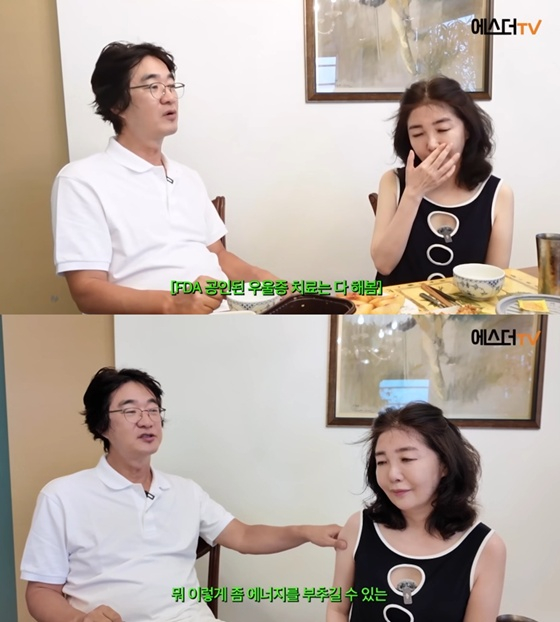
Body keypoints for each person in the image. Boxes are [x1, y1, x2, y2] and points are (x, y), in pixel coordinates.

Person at [22, 367, 345, 622]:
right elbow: (40, 592)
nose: (147, 420)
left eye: (153, 409)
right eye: (130, 411)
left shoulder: (185, 491)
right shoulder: (63, 495)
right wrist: (80, 619)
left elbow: (244, 536)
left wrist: (304, 532)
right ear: (101, 425)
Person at [52, 42, 279, 314]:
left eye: (171, 86)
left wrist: (264, 279)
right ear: (117, 103)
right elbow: (87, 291)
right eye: (154, 87)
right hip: (156, 325)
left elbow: (218, 255)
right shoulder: (81, 180)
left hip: (228, 316)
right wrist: (171, 304)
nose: (169, 97)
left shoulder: (188, 177)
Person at [326, 402, 506, 622]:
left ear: (444, 464)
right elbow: (337, 609)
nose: (392, 474)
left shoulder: (486, 547)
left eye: (407, 459)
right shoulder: (358, 527)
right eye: (381, 462)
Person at [370, 76, 514, 286]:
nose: (431, 144)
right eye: (417, 133)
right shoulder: (392, 182)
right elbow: (383, 265)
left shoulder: (498, 193)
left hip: (466, 305)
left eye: (443, 130)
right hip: (395, 304)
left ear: (467, 130)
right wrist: (413, 193)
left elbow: (493, 280)